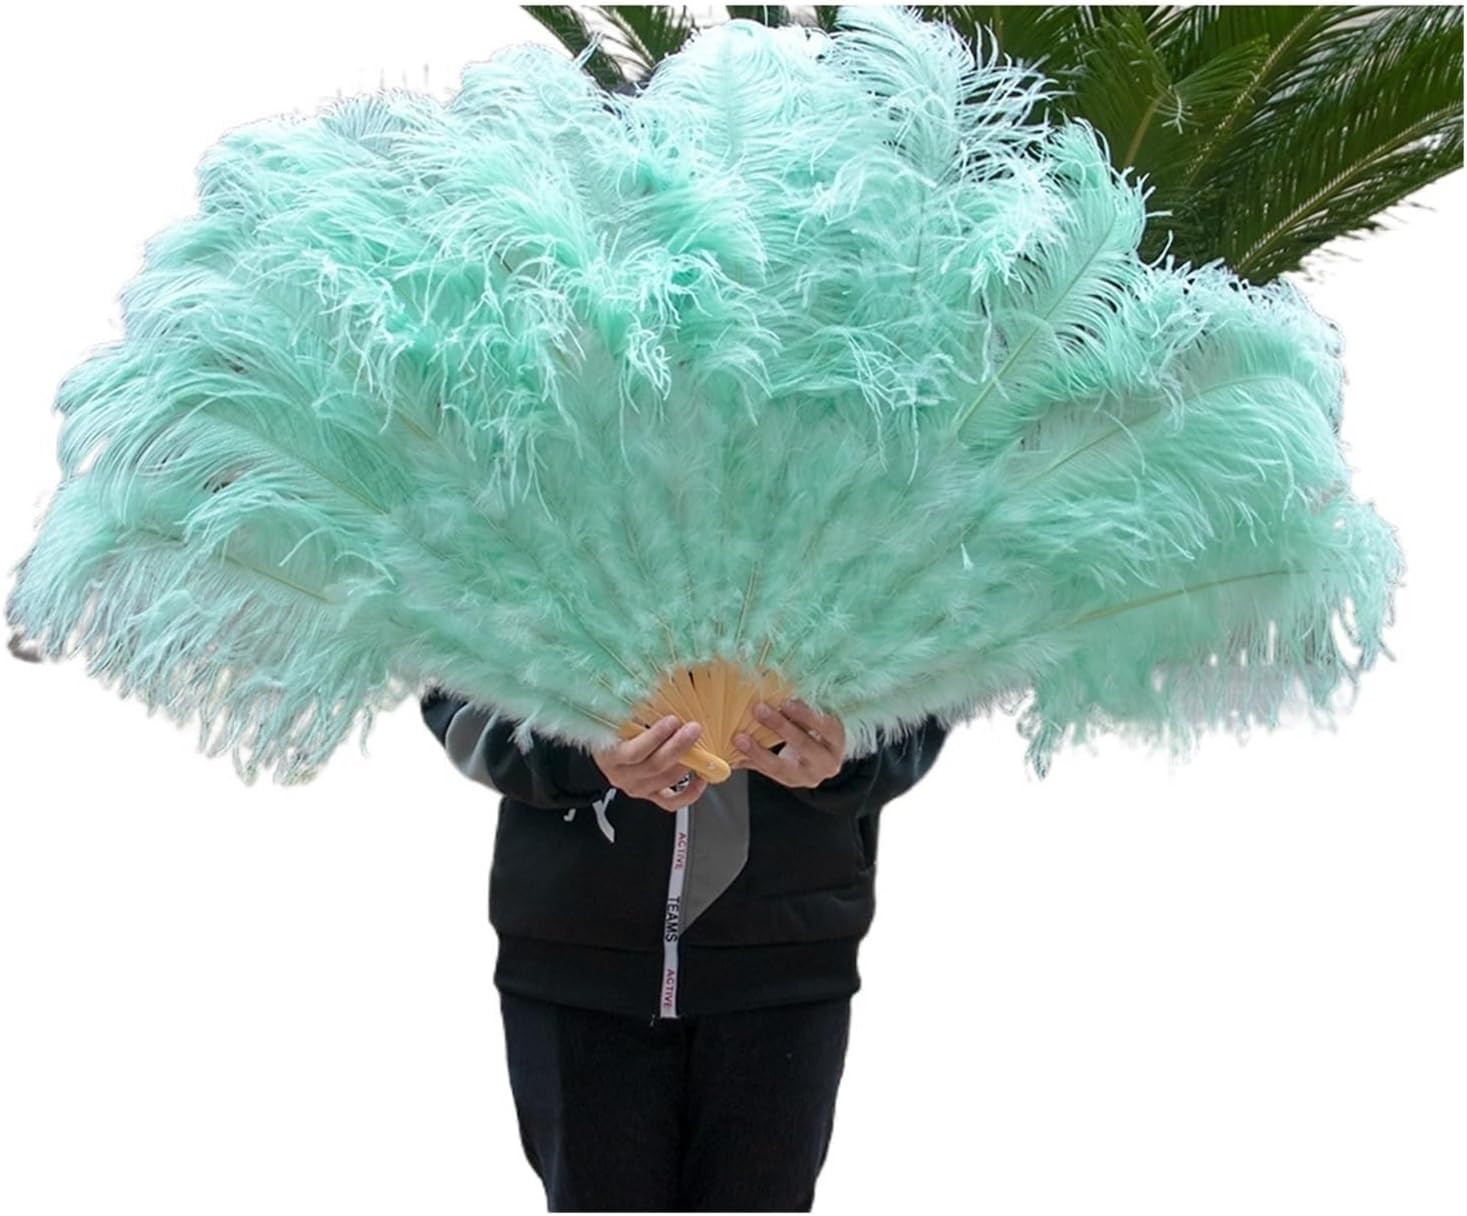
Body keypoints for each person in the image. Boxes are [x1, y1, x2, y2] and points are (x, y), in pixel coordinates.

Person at [420, 685, 948, 1212]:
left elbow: (940, 671)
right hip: (577, 955)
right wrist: (574, 753)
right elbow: (448, 669)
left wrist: (852, 751)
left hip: (784, 955)